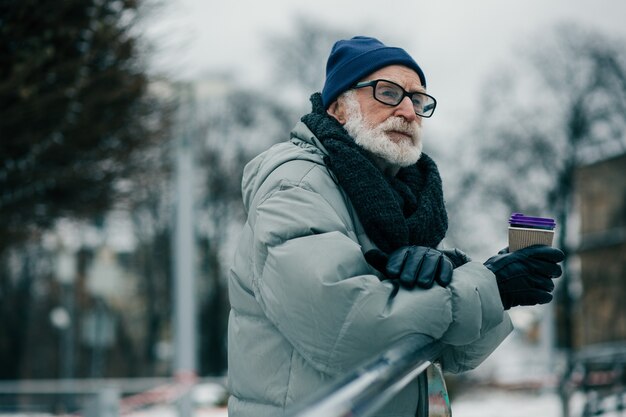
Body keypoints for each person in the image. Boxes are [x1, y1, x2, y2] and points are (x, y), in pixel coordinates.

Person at [227, 36, 564, 417]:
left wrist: (491, 286)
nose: (408, 110)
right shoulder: (298, 184)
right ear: (338, 107)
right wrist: (487, 287)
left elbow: (451, 353)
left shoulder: (399, 203)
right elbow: (349, 331)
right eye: (387, 93)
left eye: (418, 100)